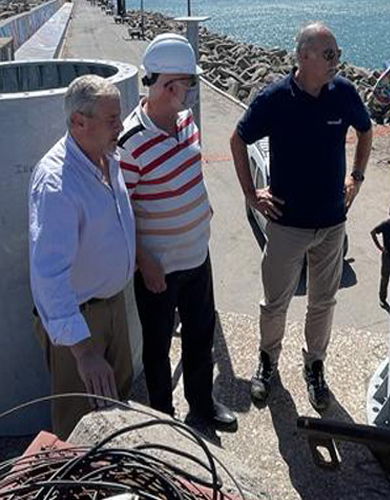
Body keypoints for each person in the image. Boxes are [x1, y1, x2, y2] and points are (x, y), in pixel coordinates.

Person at [230, 22, 373, 410]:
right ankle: (267, 362)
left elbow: (366, 129)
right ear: (303, 57)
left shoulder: (343, 93)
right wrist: (250, 193)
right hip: (286, 225)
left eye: (338, 54)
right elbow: (238, 139)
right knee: (275, 304)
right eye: (329, 55)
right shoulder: (276, 98)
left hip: (331, 224)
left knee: (323, 303)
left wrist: (356, 178)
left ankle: (315, 365)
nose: (337, 62)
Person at [118, 33, 237, 430]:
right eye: (189, 84)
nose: (191, 93)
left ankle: (201, 404)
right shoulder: (130, 144)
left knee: (200, 335)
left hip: (196, 256)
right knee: (157, 347)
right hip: (158, 270)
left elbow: (190, 170)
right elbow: (122, 212)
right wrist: (144, 260)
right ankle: (164, 418)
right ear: (169, 86)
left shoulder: (186, 122)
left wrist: (202, 207)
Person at [29, 75, 136, 439]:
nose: (120, 126)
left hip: (111, 307)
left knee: (117, 407)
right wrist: (84, 352)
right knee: (80, 425)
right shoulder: (57, 183)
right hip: (78, 324)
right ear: (79, 122)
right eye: (112, 120)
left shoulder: (106, 155)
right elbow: (48, 276)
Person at [370, 205, 390, 312]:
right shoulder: (386, 225)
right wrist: (380, 247)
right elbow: (373, 232)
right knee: (385, 277)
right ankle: (382, 298)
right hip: (388, 255)